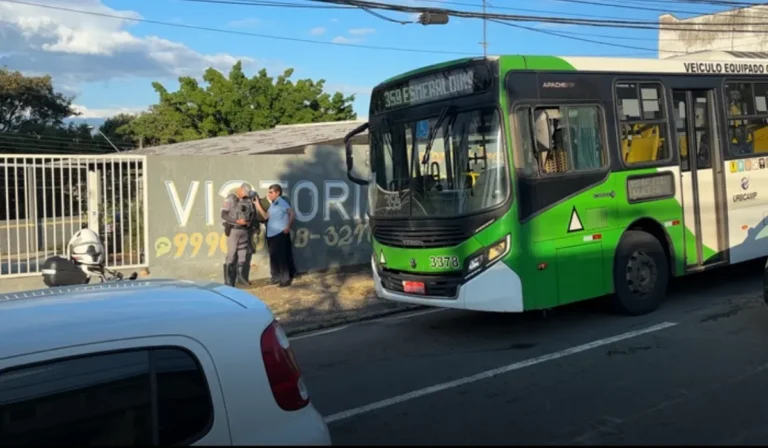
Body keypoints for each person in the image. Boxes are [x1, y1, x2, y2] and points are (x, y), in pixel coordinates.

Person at [254, 184, 296, 287]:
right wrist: (257, 204)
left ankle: (285, 279)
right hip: (271, 235)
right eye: (269, 192)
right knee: (273, 257)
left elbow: (292, 213)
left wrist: (288, 226)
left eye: (271, 192)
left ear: (277, 193)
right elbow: (265, 216)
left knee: (282, 257)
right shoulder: (273, 204)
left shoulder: (282, 202)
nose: (269, 194)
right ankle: (275, 277)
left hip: (280, 234)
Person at [221, 183, 258, 286]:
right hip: (234, 229)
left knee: (243, 255)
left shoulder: (248, 201)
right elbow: (223, 215)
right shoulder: (230, 199)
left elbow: (253, 214)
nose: (245, 195)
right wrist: (237, 221)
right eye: (244, 193)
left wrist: (249, 222)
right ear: (240, 189)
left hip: (244, 230)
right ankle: (228, 281)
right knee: (231, 254)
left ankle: (240, 277)